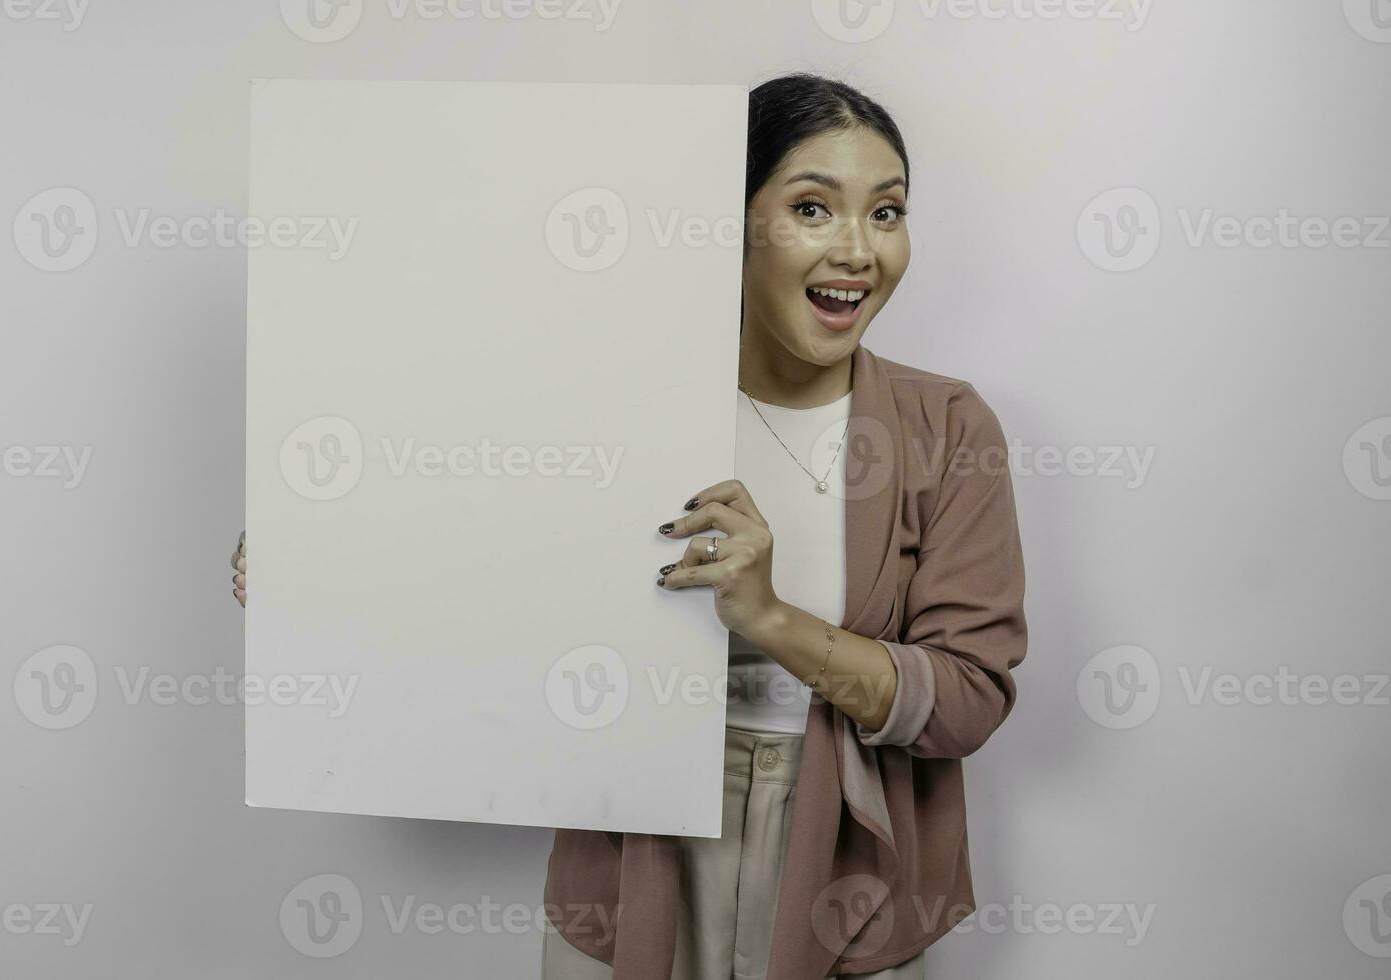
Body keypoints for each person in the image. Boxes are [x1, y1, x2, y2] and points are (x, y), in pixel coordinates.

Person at [232, 71, 1027, 980]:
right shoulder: (611, 395)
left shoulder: (947, 428)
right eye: (813, 208)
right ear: (731, 221)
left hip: (849, 866)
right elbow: (484, 573)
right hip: (631, 847)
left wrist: (771, 618)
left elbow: (967, 698)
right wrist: (317, 561)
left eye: (886, 213)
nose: (858, 249)